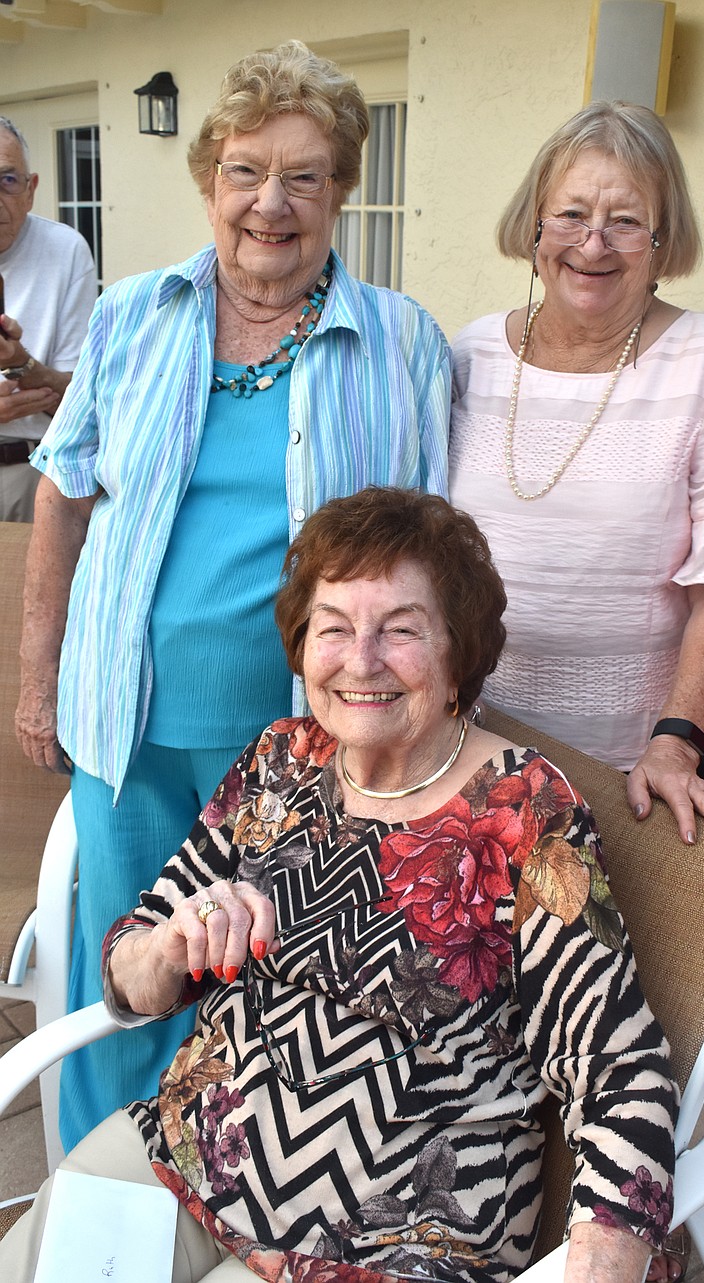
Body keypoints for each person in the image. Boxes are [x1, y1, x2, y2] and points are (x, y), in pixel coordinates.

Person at [0, 487, 678, 1283]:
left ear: (457, 652)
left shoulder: (525, 812)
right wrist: (175, 941)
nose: (361, 660)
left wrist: (603, 1261)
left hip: (391, 1238)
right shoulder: (281, 762)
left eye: (400, 630)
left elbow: (622, 1071)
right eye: (334, 627)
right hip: (185, 1156)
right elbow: (129, 965)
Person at [14, 42, 450, 1152]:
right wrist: (37, 679)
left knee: (271, 981)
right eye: (247, 171)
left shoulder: (403, 342)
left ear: (342, 192)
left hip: (305, 741)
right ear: (211, 184)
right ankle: (99, 1195)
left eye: (305, 176)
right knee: (128, 967)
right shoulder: (130, 316)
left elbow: (435, 546)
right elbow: (62, 501)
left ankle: (225, 1190)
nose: (272, 203)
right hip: (131, 724)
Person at [449, 100, 704, 850]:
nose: (593, 244)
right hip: (480, 750)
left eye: (626, 221)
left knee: (637, 966)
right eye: (570, 214)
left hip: (643, 765)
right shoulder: (469, 354)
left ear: (663, 239)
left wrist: (674, 742)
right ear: (535, 225)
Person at [0, 116, 96, 521]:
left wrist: (20, 365)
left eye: (7, 179)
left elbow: (83, 401)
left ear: (31, 189)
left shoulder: (64, 250)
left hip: (28, 470)